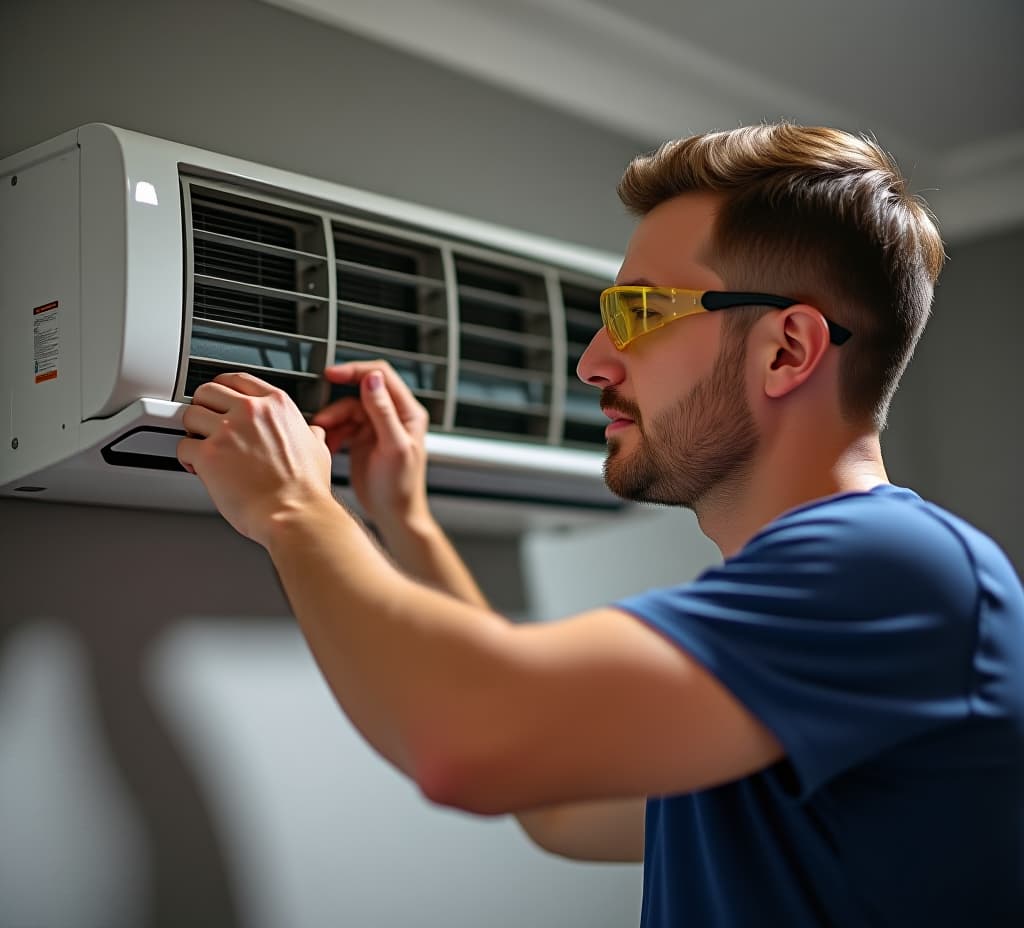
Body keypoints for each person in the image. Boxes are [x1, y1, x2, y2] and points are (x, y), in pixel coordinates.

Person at [177, 123, 1024, 927]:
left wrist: (293, 508)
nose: (592, 362)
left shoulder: (895, 568)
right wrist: (404, 521)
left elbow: (466, 745)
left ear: (787, 351)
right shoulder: (818, 628)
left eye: (640, 313)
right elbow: (556, 805)